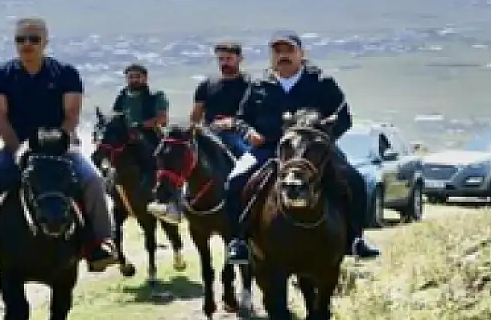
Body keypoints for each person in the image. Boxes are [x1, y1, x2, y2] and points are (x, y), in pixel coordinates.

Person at [0, 17, 118, 272]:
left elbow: (71, 115)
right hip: (16, 145)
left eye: (33, 39)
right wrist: (19, 149)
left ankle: (100, 242)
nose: (26, 44)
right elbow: (0, 117)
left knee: (93, 180)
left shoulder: (66, 74)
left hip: (60, 146)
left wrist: (53, 143)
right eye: (21, 39)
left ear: (45, 42)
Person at [221, 31, 381, 265]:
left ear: (301, 54)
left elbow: (343, 117)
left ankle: (355, 238)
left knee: (356, 181)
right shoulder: (258, 85)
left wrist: (324, 139)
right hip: (269, 147)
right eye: (277, 51)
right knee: (235, 181)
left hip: (314, 150)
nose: (283, 56)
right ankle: (239, 241)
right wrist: (248, 133)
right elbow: (241, 118)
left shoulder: (321, 82)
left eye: (289, 51)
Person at [150, 41, 249, 223]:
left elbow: (252, 114)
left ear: (240, 59)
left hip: (238, 133)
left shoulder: (249, 85)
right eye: (221, 59)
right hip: (207, 133)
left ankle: (247, 206)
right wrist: (192, 131)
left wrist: (232, 123)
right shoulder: (207, 85)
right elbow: (196, 115)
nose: (224, 63)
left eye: (229, 58)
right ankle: (173, 205)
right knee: (179, 159)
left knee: (248, 161)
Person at [108, 62, 168, 191]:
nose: (134, 80)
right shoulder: (122, 95)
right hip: (124, 136)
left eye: (137, 76)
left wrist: (139, 125)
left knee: (152, 159)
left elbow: (162, 119)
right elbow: (115, 114)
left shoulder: (155, 95)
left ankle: (153, 189)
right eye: (130, 77)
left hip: (149, 135)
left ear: (145, 78)